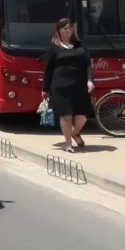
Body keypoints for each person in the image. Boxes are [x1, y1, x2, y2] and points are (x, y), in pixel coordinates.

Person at [41, 18, 94, 153]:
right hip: (60, 86)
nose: (68, 30)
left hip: (79, 84)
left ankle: (75, 132)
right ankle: (68, 143)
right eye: (65, 28)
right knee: (66, 115)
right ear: (58, 30)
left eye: (70, 28)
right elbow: (48, 69)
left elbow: (88, 64)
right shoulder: (53, 47)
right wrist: (45, 88)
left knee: (82, 115)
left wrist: (90, 80)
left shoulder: (80, 45)